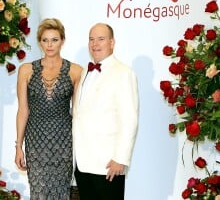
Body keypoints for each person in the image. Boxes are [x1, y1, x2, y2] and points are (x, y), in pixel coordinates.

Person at [15, 18, 82, 200]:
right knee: (39, 191)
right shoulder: (26, 70)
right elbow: (23, 111)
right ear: (39, 42)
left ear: (63, 41)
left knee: (61, 191)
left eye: (54, 40)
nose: (49, 45)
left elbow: (77, 113)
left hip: (63, 140)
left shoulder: (76, 71)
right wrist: (18, 146)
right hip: (35, 139)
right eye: (45, 40)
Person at [72, 23, 139, 200]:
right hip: (82, 162)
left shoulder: (124, 72)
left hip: (108, 164)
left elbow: (129, 119)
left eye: (101, 39)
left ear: (112, 42)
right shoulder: (85, 71)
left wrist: (121, 158)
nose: (95, 44)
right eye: (91, 39)